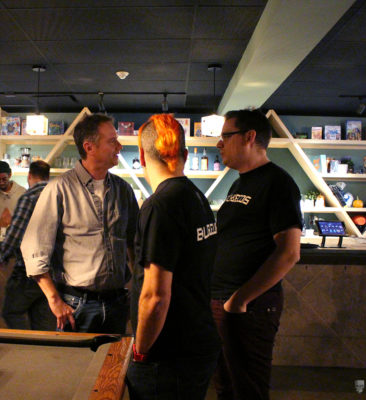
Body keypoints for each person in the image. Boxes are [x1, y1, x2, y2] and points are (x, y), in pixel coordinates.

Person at [126, 114, 220, 399]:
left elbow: (155, 296)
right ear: (186, 155)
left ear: (142, 156)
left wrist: (141, 351)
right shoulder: (196, 197)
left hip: (168, 356)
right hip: (197, 342)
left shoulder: (159, 206)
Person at [211, 109, 302, 400]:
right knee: (226, 387)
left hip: (249, 308)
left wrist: (240, 300)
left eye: (226, 136)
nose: (219, 144)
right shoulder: (239, 183)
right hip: (224, 302)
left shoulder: (278, 183)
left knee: (248, 389)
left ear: (249, 137)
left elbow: (289, 252)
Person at [21, 113, 139, 334]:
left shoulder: (123, 190)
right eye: (112, 141)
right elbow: (34, 249)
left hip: (117, 303)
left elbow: (134, 242)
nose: (119, 146)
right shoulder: (59, 189)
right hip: (76, 306)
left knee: (114, 357)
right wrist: (54, 300)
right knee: (75, 358)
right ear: (89, 147)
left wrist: (137, 289)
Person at [0, 160, 56, 330]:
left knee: (11, 312)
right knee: (41, 320)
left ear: (29, 176)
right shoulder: (58, 196)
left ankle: (23, 343)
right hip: (52, 270)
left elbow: (16, 230)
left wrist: (2, 256)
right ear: (48, 177)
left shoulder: (29, 197)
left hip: (28, 268)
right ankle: (37, 346)